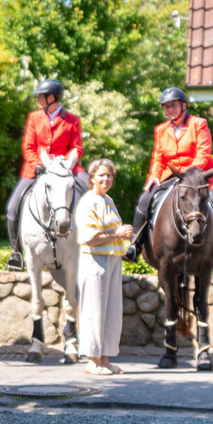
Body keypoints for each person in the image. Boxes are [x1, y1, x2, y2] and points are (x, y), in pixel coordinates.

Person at [124, 88, 213, 269]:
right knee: (144, 201)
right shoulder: (161, 130)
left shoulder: (198, 123)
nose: (170, 110)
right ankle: (135, 245)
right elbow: (159, 158)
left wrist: (186, 175)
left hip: (201, 175)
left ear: (183, 105)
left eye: (173, 105)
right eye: (166, 107)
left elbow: (203, 154)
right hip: (171, 176)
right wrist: (153, 176)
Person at [6, 79, 87, 270]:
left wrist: (64, 164)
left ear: (51, 98)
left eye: (40, 97)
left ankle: (93, 245)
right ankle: (16, 253)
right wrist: (41, 164)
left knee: (92, 190)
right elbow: (28, 147)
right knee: (12, 207)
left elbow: (77, 148)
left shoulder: (72, 120)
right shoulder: (34, 118)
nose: (38, 100)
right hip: (37, 168)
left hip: (68, 169)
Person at [76, 159, 133, 376]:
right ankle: (92, 361)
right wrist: (116, 234)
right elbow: (89, 238)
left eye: (109, 175)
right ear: (91, 178)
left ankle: (105, 360)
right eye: (101, 175)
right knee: (94, 311)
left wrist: (124, 234)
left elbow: (112, 232)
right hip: (95, 261)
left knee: (111, 312)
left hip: (113, 260)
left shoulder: (108, 200)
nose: (106, 179)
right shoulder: (88, 202)